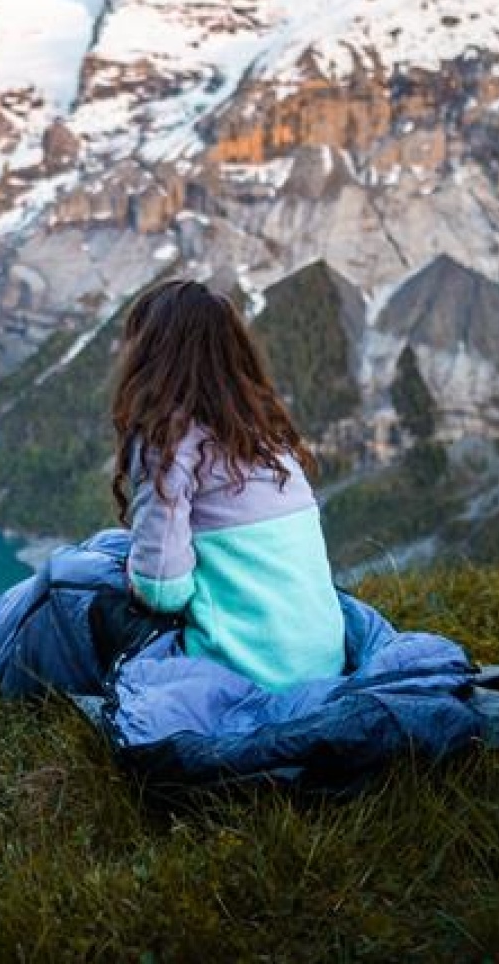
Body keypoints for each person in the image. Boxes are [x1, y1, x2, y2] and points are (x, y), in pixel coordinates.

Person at [109, 278, 346, 691]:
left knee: (83, 577)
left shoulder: (167, 439)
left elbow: (163, 592)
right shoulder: (266, 432)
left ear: (150, 357)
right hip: (325, 665)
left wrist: (132, 575)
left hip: (249, 678)